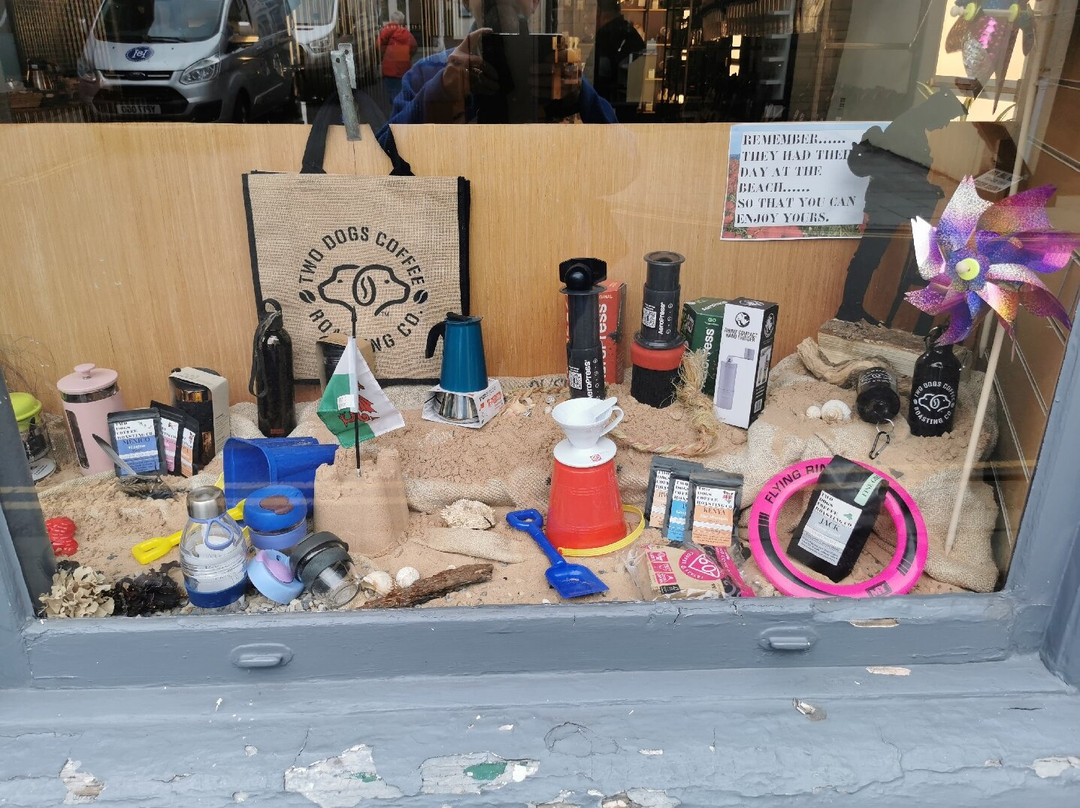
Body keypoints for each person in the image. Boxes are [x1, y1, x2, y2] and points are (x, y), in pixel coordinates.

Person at [376, 0, 616, 147]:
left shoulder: (560, 75)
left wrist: (579, 96)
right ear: (465, 1)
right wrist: (443, 92)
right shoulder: (426, 73)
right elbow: (385, 152)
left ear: (535, 2)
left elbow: (621, 150)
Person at [835, 89, 966, 325]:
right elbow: (897, 174)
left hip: (891, 205)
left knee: (869, 257)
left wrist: (927, 188)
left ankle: (851, 308)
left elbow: (904, 172)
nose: (945, 124)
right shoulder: (907, 130)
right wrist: (926, 189)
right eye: (946, 118)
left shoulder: (912, 128)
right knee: (867, 257)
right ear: (936, 112)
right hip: (887, 206)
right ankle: (848, 309)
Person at [588, 0, 645, 120]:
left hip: (608, 112)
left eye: (589, 12)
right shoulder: (632, 35)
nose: (587, 17)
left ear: (598, 11)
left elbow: (598, 78)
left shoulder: (607, 36)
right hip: (627, 111)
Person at [378, 11, 418, 109]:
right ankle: (402, 110)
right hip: (403, 68)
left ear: (391, 20)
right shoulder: (407, 34)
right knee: (403, 91)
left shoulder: (385, 31)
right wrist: (407, 56)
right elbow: (414, 47)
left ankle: (396, 110)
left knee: (392, 92)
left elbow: (379, 45)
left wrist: (386, 54)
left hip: (389, 68)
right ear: (402, 21)